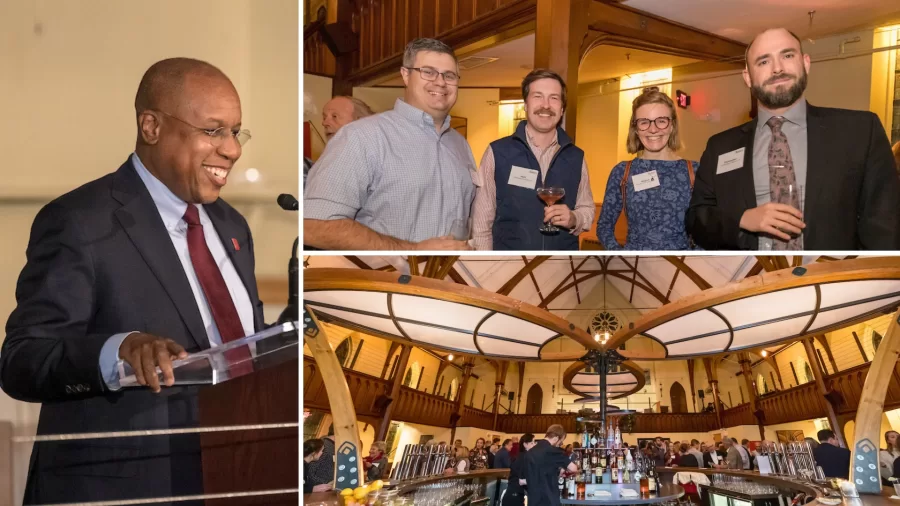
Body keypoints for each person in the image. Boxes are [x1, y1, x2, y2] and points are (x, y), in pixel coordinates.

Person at [0, 58, 266, 505]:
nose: (233, 149)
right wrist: (117, 350)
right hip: (122, 490)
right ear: (151, 126)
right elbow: (22, 361)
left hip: (238, 478)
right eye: (213, 130)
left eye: (235, 132)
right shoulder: (80, 221)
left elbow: (251, 352)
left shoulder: (232, 225)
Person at [686, 27, 900, 250]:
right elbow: (697, 219)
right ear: (748, 78)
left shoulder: (860, 131)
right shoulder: (720, 147)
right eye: (763, 62)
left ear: (805, 63)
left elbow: (886, 224)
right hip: (753, 277)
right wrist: (741, 219)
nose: (777, 68)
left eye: (787, 55)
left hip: (834, 279)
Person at [304, 38, 476, 250]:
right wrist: (411, 251)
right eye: (428, 72)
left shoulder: (460, 145)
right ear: (405, 75)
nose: (440, 82)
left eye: (449, 75)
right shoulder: (361, 137)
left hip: (448, 276)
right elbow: (315, 225)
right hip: (385, 277)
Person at [471, 69, 594, 250]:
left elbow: (588, 209)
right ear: (526, 104)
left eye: (554, 98)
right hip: (509, 268)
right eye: (538, 96)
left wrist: (575, 218)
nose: (546, 105)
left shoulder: (576, 157)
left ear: (562, 108)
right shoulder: (497, 152)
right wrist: (485, 264)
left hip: (561, 268)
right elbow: (481, 224)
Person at [597, 88, 698, 250]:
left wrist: (693, 259)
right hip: (636, 266)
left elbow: (707, 228)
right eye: (644, 122)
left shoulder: (693, 171)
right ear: (636, 129)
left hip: (680, 265)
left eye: (661, 120)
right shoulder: (622, 172)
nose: (653, 129)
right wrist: (621, 256)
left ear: (672, 125)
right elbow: (604, 226)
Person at [525, 425, 578, 506]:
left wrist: (558, 471)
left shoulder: (530, 452)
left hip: (533, 499)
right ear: (556, 438)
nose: (560, 444)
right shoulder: (553, 451)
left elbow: (541, 470)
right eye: (561, 442)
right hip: (548, 498)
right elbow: (574, 468)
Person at [503, 433, 536, 506]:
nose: (534, 445)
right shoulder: (524, 457)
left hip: (517, 493)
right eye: (532, 443)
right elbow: (521, 480)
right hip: (515, 494)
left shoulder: (524, 456)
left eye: (534, 442)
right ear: (525, 444)